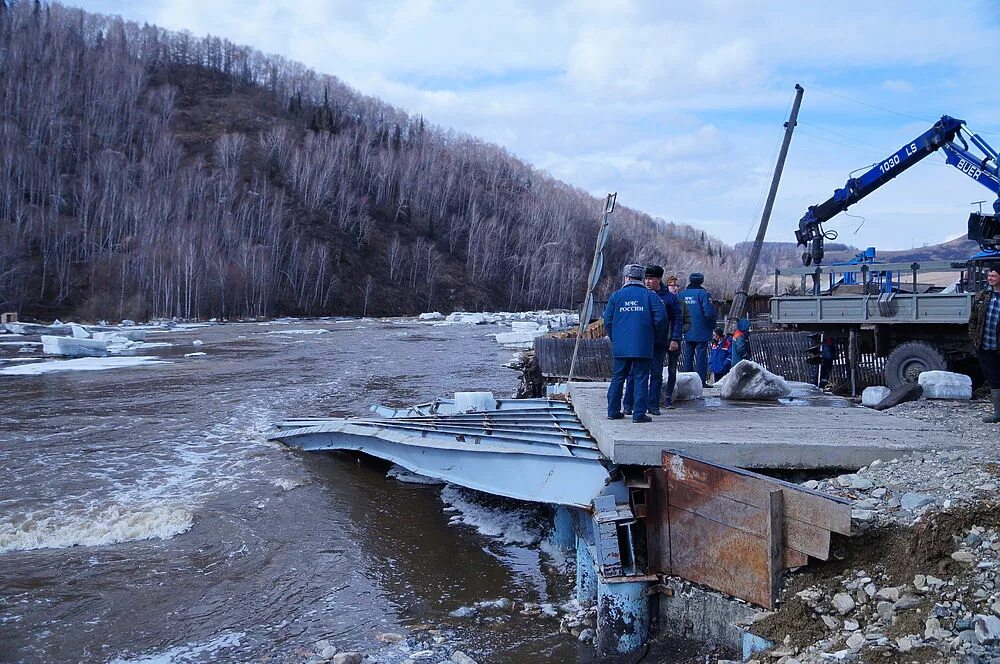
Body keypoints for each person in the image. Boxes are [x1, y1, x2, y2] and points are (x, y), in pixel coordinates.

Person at [604, 264, 668, 423]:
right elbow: (661, 319)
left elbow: (607, 320)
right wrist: (655, 337)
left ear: (626, 277)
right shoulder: (651, 296)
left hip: (621, 346)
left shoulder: (616, 296)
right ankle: (638, 414)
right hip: (643, 345)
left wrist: (615, 338)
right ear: (641, 278)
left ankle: (613, 411)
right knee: (641, 377)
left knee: (618, 377)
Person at [623, 265, 682, 414]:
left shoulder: (669, 298)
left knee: (656, 374)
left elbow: (677, 319)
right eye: (646, 278)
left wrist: (675, 338)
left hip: (659, 342)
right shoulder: (641, 294)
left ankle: (653, 405)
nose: (648, 282)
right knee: (633, 373)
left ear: (658, 279)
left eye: (651, 279)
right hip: (640, 341)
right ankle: (629, 404)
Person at [971, 262, 1000, 423]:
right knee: (994, 379)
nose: (990, 278)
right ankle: (997, 413)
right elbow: (973, 319)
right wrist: (975, 337)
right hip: (986, 345)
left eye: (994, 275)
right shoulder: (983, 296)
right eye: (989, 275)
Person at [679, 272, 717, 386]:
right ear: (701, 281)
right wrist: (712, 325)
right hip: (701, 328)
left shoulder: (681, 294)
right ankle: (700, 381)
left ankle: (687, 380)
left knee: (688, 353)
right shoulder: (704, 294)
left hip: (686, 328)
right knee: (701, 355)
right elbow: (709, 313)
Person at [663, 275, 690, 406]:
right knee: (655, 368)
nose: (675, 288)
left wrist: (678, 331)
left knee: (672, 370)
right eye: (672, 286)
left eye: (676, 286)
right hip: (661, 340)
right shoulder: (661, 300)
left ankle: (668, 397)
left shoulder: (682, 303)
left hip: (676, 340)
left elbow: (688, 322)